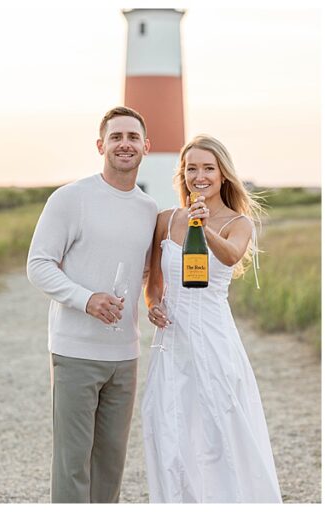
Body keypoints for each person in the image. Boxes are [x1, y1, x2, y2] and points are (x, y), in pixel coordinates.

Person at [26, 106, 159, 503]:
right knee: (72, 466)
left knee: (111, 466)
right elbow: (38, 265)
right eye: (116, 137)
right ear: (101, 145)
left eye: (133, 137)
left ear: (146, 147)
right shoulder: (71, 198)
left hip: (126, 354)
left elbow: (145, 275)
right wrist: (86, 299)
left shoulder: (149, 209)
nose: (125, 144)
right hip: (74, 352)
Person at [141, 134, 281, 503]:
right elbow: (154, 282)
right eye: (192, 168)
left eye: (208, 168)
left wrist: (203, 225)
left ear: (223, 175)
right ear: (182, 174)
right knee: (170, 430)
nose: (199, 176)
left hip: (215, 339)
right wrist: (153, 304)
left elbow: (233, 256)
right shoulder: (165, 219)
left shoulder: (239, 223)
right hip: (172, 342)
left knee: (219, 428)